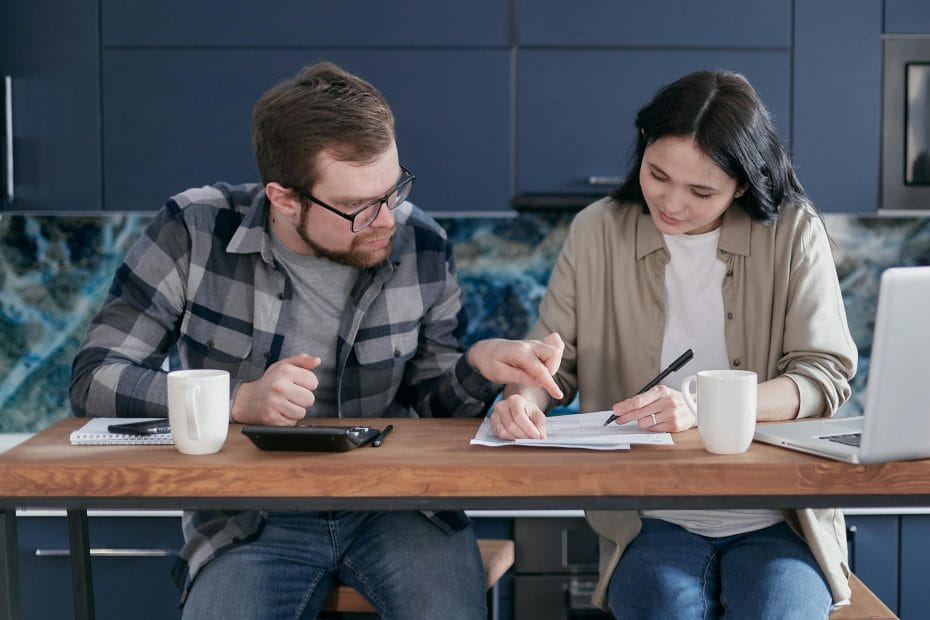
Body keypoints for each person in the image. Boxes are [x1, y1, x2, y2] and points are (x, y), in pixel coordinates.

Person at [69, 61, 564, 620]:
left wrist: (478, 363)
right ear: (284, 198)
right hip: (248, 516)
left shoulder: (422, 243)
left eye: (393, 188)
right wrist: (237, 400)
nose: (387, 218)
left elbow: (432, 404)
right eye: (357, 206)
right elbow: (96, 379)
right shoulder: (194, 228)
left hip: (398, 504)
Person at [489, 70, 858, 618]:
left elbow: (824, 376)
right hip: (652, 518)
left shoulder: (794, 233)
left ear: (743, 183)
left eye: (702, 191)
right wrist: (523, 400)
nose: (672, 203)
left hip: (778, 518)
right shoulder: (598, 231)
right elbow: (553, 362)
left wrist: (710, 408)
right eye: (657, 174)